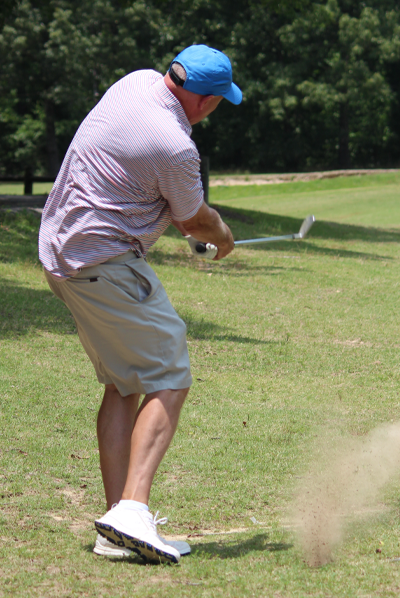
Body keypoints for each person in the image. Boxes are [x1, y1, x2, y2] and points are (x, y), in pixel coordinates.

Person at [38, 44, 242, 564]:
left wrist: (185, 221)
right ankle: (132, 509)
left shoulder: (136, 82)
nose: (216, 110)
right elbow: (193, 219)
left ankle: (116, 527)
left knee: (124, 382)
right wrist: (221, 236)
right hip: (102, 261)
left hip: (63, 252)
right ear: (201, 100)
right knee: (169, 372)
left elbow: (152, 193)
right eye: (218, 101)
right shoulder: (175, 146)